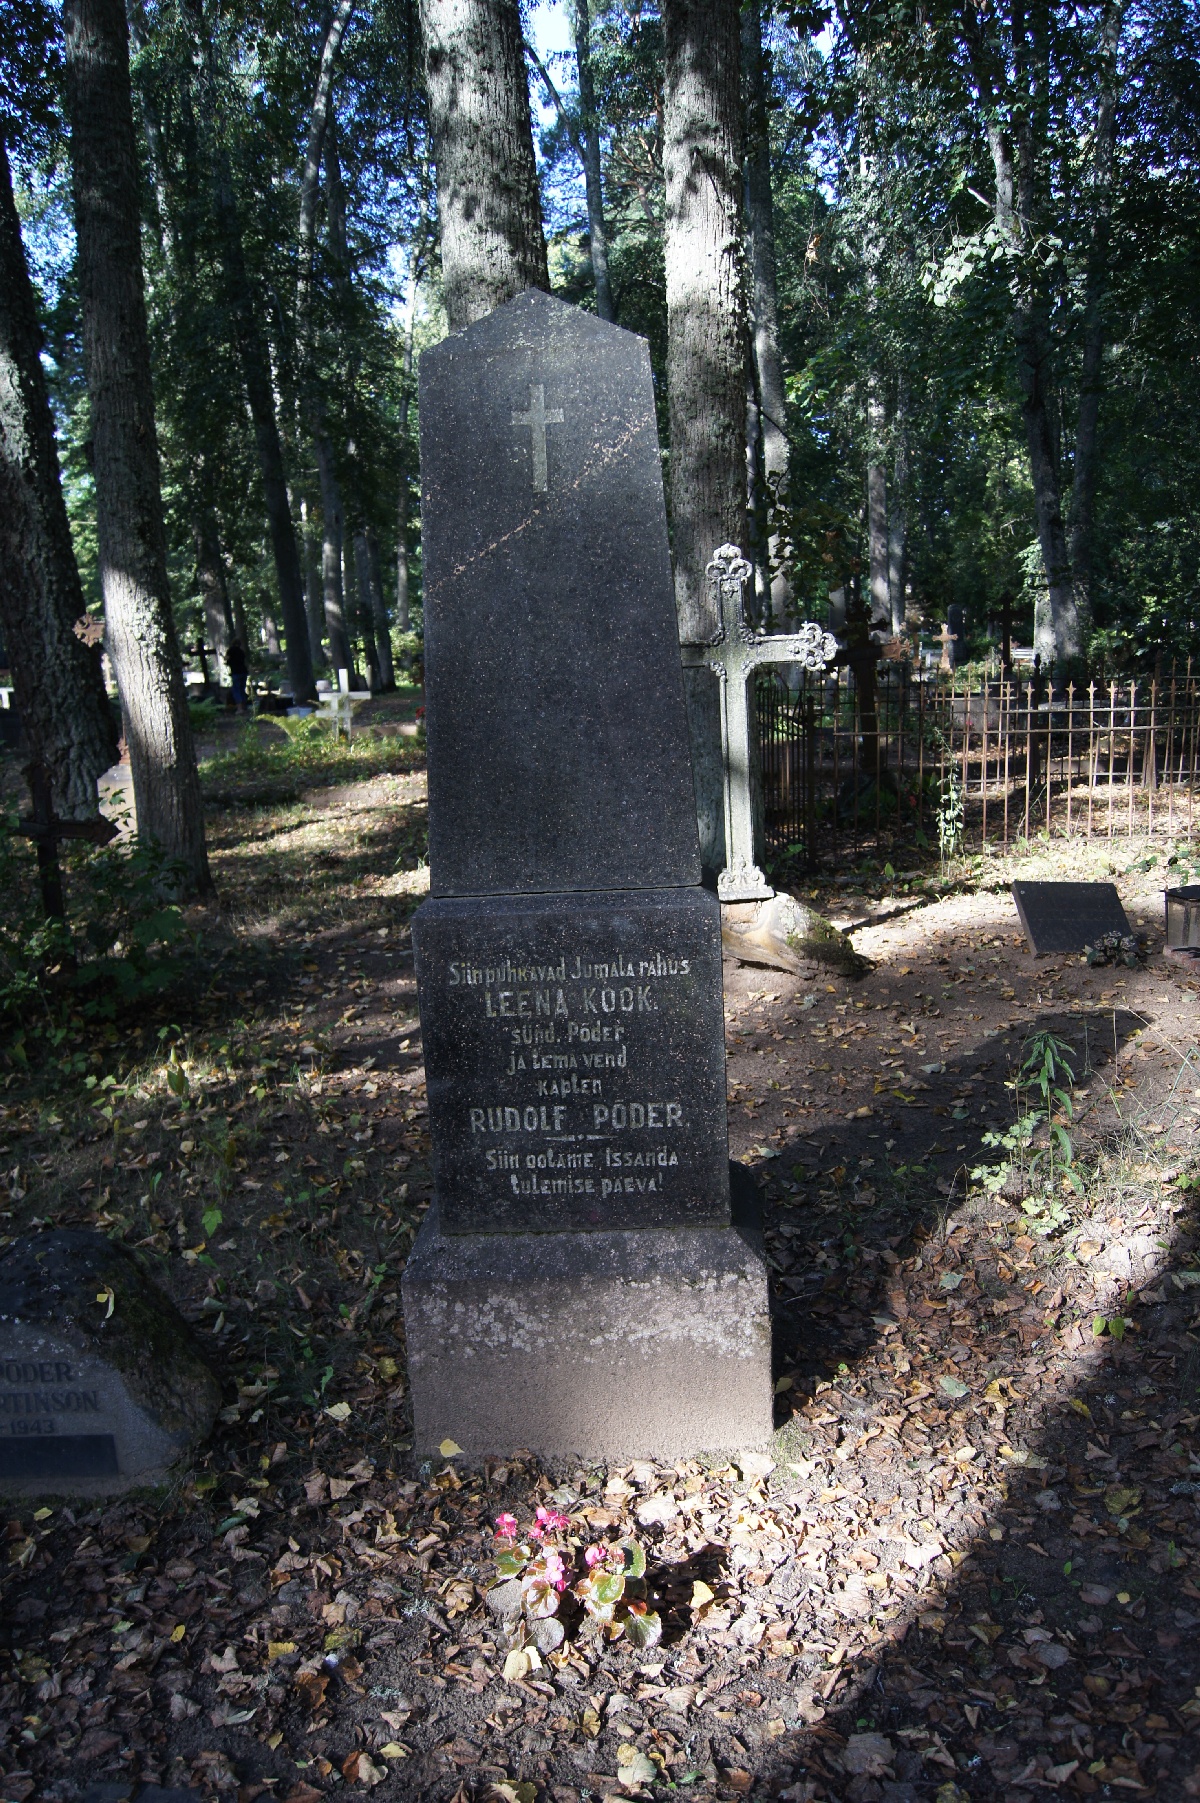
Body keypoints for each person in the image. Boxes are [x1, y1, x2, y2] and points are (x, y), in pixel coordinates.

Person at [226, 639, 248, 713]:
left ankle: (239, 708)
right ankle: (244, 707)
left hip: (236, 672)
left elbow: (227, 659)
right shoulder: (241, 651)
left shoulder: (231, 650)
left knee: (236, 690)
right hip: (243, 672)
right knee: (242, 689)